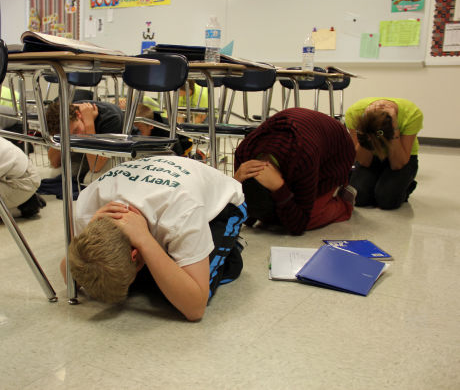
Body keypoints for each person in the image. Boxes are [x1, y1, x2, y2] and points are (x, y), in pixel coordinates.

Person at [61, 155, 247, 321]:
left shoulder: (181, 211)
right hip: (164, 187)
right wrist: (87, 228)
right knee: (146, 280)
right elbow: (71, 273)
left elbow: (195, 308)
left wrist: (145, 240)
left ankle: (228, 250)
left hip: (222, 203)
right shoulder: (88, 207)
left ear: (135, 254)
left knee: (177, 294)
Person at [233, 107, 356, 235]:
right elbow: (243, 211)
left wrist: (280, 188)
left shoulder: (303, 158)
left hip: (337, 152)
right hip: (308, 137)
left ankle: (344, 204)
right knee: (284, 212)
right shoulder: (243, 154)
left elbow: (299, 226)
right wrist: (235, 182)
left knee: (307, 218)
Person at [344, 97, 423, 209]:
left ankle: (407, 184)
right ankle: (381, 182)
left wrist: (394, 127)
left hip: (402, 156)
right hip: (373, 157)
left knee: (387, 201)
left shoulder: (411, 114)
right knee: (359, 198)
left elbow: (397, 164)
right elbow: (364, 161)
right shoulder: (355, 112)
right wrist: (366, 129)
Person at [45, 100, 124, 183]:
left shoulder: (111, 117)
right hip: (89, 150)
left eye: (76, 130)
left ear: (78, 114)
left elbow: (95, 166)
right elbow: (54, 162)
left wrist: (89, 123)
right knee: (56, 174)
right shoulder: (69, 114)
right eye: (69, 137)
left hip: (118, 151)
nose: (76, 137)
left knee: (89, 179)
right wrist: (61, 140)